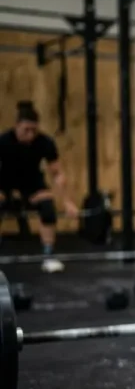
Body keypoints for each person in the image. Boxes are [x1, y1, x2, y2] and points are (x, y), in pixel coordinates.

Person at [0, 104, 77, 273]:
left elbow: (57, 174)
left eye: (34, 130)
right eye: (26, 130)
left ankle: (48, 255)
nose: (30, 135)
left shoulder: (45, 142)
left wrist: (67, 202)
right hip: (5, 186)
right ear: (16, 126)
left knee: (47, 206)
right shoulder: (3, 141)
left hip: (32, 187)